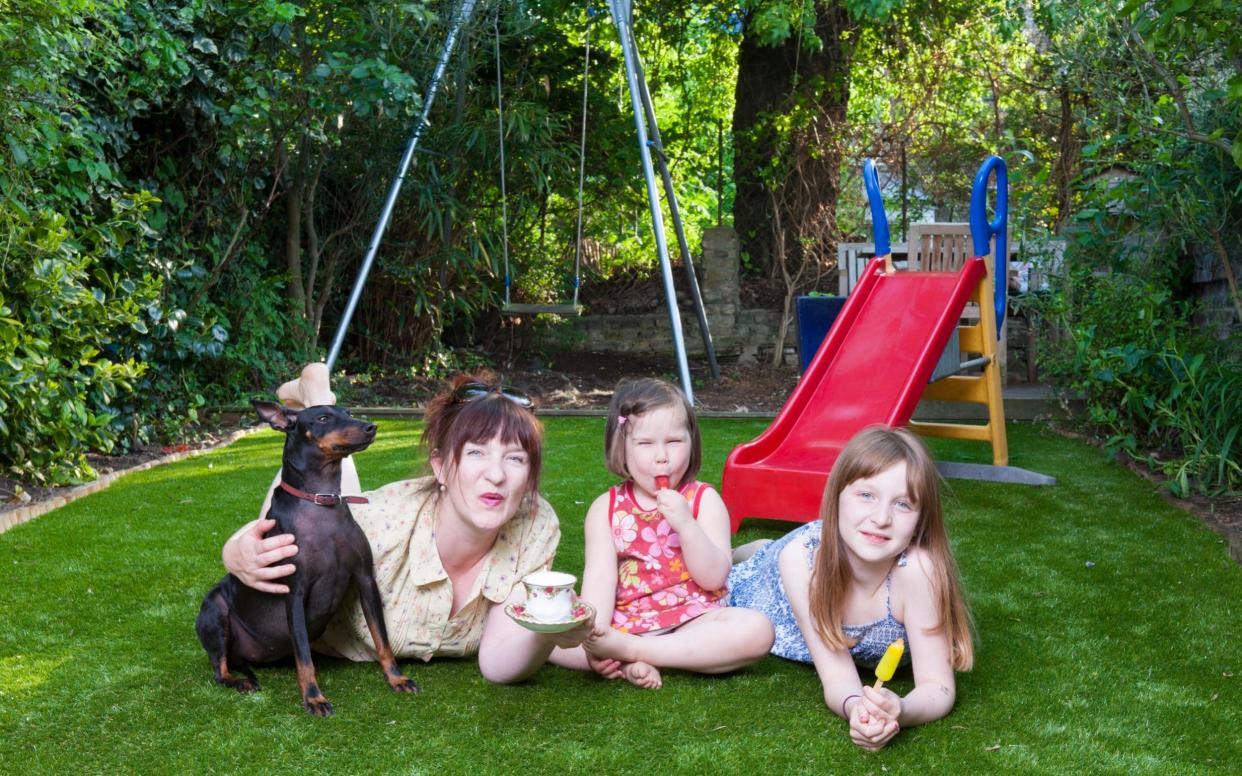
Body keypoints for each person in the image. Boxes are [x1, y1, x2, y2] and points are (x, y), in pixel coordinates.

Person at [221, 362, 589, 683]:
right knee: (325, 475)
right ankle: (318, 394)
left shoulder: (535, 526)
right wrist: (234, 550)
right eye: (476, 452)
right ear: (440, 465)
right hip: (356, 534)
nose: (496, 475)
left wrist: (604, 649)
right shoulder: (379, 528)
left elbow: (521, 635)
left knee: (340, 480)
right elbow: (281, 522)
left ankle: (320, 400)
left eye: (515, 459)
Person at [726, 425, 973, 750]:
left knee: (770, 550)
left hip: (814, 550)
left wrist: (898, 709)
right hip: (779, 581)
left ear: (921, 520)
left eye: (903, 504)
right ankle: (740, 552)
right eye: (866, 495)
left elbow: (938, 687)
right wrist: (853, 702)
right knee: (735, 572)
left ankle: (758, 548)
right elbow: (837, 675)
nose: (881, 518)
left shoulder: (918, 572)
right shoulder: (802, 562)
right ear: (836, 497)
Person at [554, 378, 774, 688]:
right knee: (547, 639)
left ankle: (637, 655)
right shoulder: (605, 508)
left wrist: (686, 526)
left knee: (757, 630)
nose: (662, 456)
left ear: (691, 440)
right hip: (628, 624)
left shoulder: (704, 501)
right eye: (645, 444)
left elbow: (714, 578)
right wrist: (598, 635)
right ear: (622, 449)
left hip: (695, 622)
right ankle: (622, 658)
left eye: (674, 441)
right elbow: (601, 578)